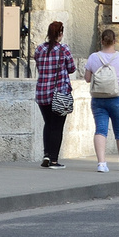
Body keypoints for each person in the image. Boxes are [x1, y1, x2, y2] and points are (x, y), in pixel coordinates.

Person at [85, 29, 119, 173]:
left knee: (100, 130)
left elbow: (88, 78)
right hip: (117, 97)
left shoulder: (93, 57)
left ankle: (101, 163)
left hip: (98, 98)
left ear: (101, 41)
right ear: (114, 41)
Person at [32, 20, 76, 168]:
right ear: (60, 34)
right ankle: (54, 160)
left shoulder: (39, 49)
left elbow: (38, 64)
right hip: (58, 94)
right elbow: (72, 68)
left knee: (48, 124)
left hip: (42, 93)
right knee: (57, 127)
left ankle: (46, 155)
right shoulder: (63, 49)